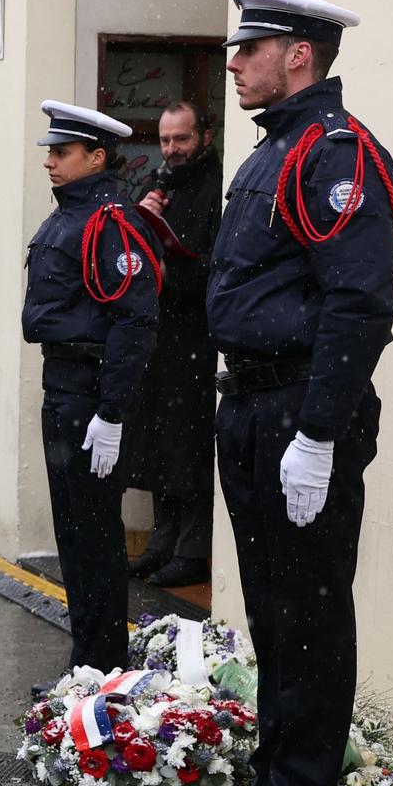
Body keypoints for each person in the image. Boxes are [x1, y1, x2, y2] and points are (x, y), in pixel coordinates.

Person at [182, 0, 393, 786]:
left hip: (300, 406)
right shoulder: (275, 152)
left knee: (310, 612)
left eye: (250, 49)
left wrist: (318, 434)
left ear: (299, 57)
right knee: (276, 614)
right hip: (251, 403)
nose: (234, 63)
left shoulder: (335, 156)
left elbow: (358, 305)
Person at [21, 101, 162, 692]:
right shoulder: (70, 215)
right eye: (50, 152)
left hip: (89, 391)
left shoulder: (112, 222)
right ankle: (85, 663)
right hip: (63, 386)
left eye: (62, 152)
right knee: (74, 534)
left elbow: (135, 322)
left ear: (96, 157)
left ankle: (103, 671)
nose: (50, 162)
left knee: (97, 537)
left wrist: (111, 413)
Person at [121, 102, 223, 589]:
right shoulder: (158, 184)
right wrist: (141, 220)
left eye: (181, 139)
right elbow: (128, 252)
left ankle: (192, 550)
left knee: (190, 447)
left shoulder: (216, 186)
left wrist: (171, 271)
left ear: (205, 135)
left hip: (197, 338)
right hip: (159, 339)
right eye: (164, 140)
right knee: (158, 444)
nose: (172, 149)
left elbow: (218, 266)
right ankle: (161, 542)